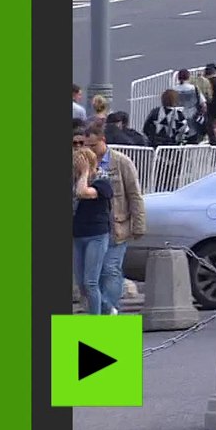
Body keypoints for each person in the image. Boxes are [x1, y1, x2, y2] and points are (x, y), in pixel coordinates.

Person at [81, 121, 145, 315]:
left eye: (93, 145)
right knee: (94, 276)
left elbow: (134, 194)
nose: (90, 149)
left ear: (103, 140)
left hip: (117, 227)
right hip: (93, 227)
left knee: (111, 269)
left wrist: (138, 224)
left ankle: (111, 307)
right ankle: (105, 309)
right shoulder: (85, 163)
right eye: (87, 146)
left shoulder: (121, 162)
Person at [73, 147, 113, 315]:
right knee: (82, 284)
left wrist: (86, 172)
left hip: (96, 235)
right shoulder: (74, 183)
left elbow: (83, 193)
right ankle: (107, 308)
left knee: (91, 282)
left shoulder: (102, 182)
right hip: (78, 235)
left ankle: (95, 323)